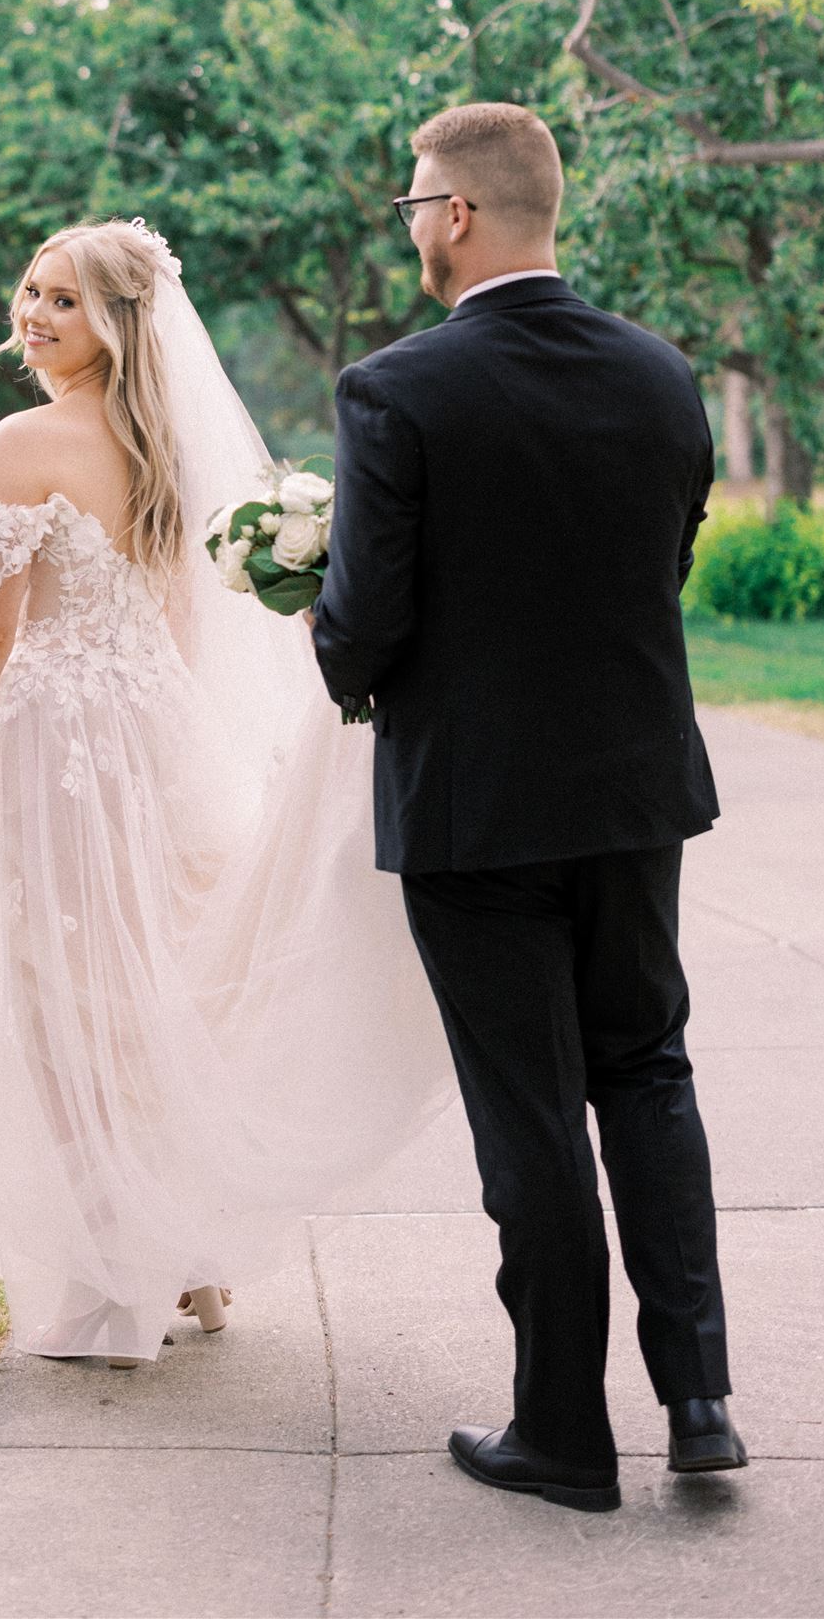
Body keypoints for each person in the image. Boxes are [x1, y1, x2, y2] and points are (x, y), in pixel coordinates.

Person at [0, 219, 455, 1367]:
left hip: (49, 740)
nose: (33, 314)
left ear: (116, 323)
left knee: (62, 1020)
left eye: (63, 300)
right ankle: (179, 1252)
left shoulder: (25, 440)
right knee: (144, 1002)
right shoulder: (164, 448)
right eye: (29, 290)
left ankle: (117, 1282)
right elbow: (177, 622)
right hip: (145, 733)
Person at [309, 100, 746, 1514]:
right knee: (646, 1071)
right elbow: (655, 565)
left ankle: (559, 1432)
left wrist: (321, 637)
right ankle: (696, 1401)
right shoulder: (659, 375)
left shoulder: (396, 392)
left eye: (412, 207)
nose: (411, 230)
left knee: (532, 1118)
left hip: (474, 809)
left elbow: (364, 622)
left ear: (456, 216)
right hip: (629, 791)